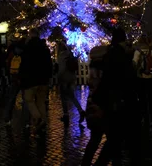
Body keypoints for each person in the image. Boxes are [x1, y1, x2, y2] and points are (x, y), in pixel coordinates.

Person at [82, 28, 139, 166]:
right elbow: (121, 80)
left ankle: (86, 163)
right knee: (114, 139)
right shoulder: (116, 58)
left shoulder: (98, 65)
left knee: (97, 138)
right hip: (109, 104)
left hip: (96, 103)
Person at [20, 29, 52, 133]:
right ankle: (43, 121)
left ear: (30, 35)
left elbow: (24, 64)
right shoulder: (45, 48)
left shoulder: (28, 48)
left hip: (31, 79)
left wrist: (22, 77)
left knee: (28, 99)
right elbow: (49, 64)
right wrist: (49, 77)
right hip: (43, 79)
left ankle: (37, 117)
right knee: (41, 101)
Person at [57, 41, 85, 126]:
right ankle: (80, 110)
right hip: (71, 77)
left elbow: (61, 69)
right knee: (72, 96)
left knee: (64, 97)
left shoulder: (62, 56)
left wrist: (58, 76)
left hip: (65, 78)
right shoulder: (70, 54)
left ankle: (66, 115)